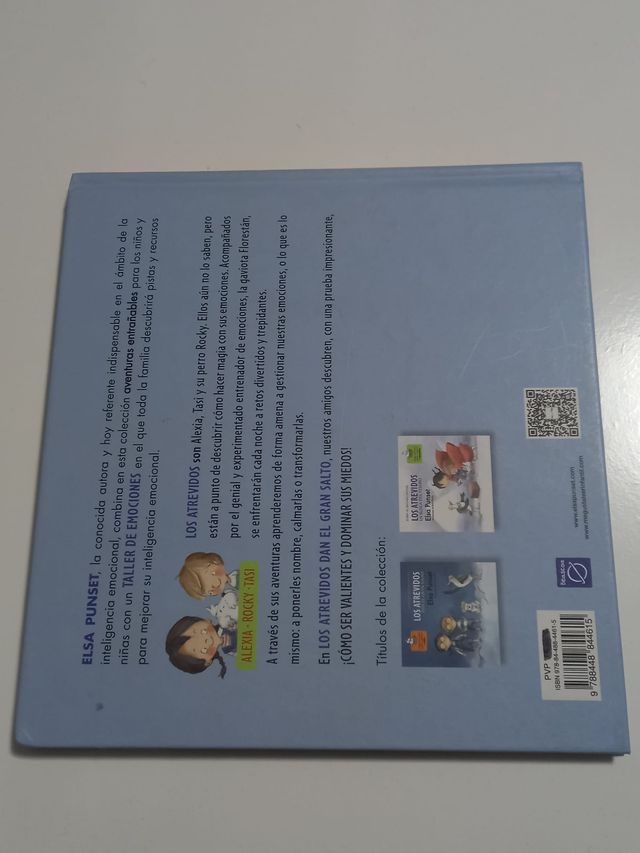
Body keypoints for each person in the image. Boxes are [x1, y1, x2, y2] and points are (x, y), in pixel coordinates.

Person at [165, 616, 236, 677]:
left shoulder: (229, 616)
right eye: (203, 650)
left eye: (202, 631)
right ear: (207, 662)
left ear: (206, 620)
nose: (206, 640)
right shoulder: (234, 652)